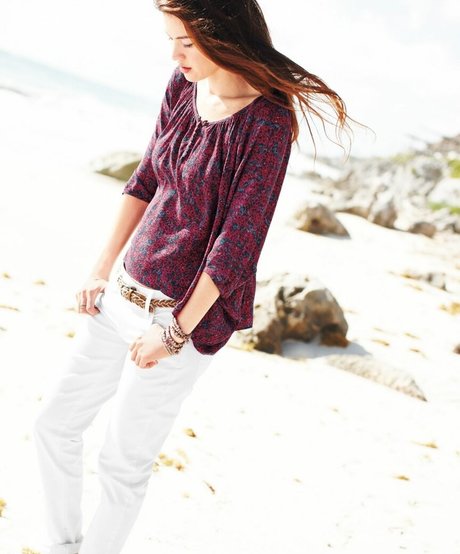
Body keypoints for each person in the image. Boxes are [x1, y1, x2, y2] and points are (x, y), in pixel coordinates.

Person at [33, 1, 355, 553]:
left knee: (121, 464)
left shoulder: (267, 123)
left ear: (221, 34)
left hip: (180, 321)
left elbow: (237, 245)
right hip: (121, 294)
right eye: (170, 40)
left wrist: (175, 330)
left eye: (185, 42)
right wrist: (99, 270)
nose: (175, 55)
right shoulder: (183, 87)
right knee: (53, 426)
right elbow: (145, 178)